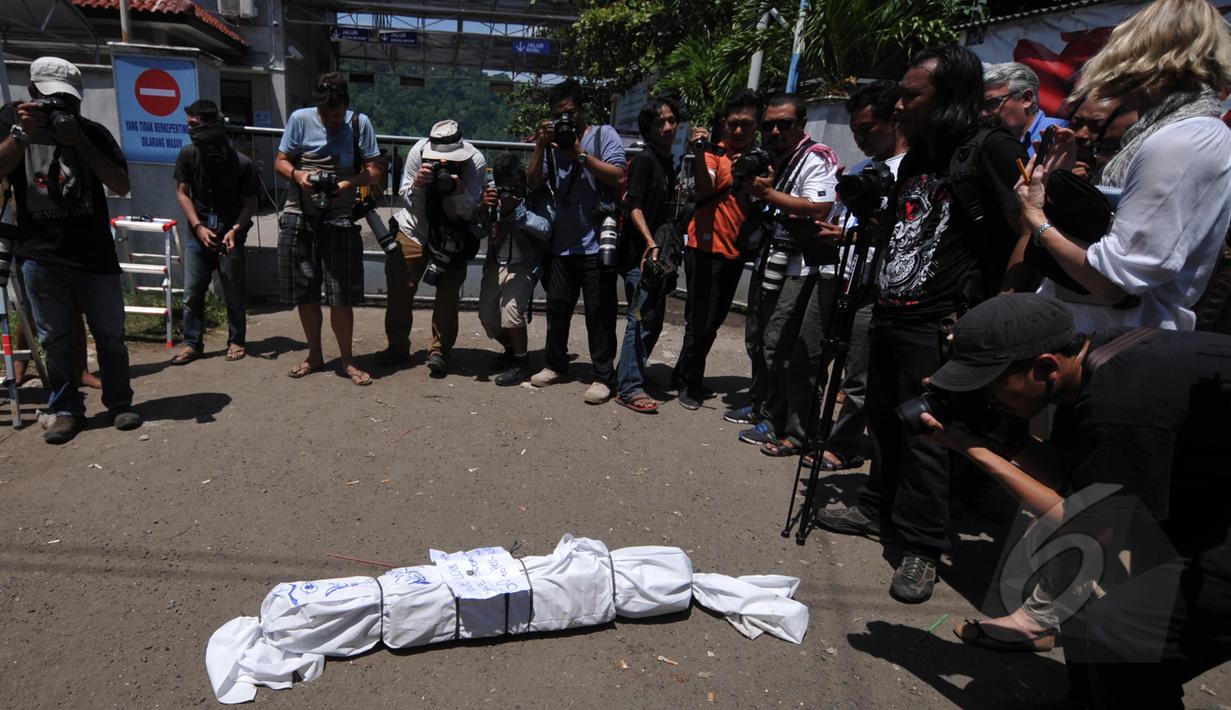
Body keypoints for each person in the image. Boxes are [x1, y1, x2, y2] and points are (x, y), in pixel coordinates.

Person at [922, 292, 1231, 708]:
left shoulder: (1120, 399)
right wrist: (1002, 436)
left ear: (1045, 366)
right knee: (1096, 609)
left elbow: (1086, 524)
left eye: (990, 387)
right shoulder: (1094, 362)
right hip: (1210, 495)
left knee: (1121, 628)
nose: (986, 399)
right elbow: (1078, 480)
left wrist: (974, 451)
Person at [815, 46, 1028, 604]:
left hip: (942, 324)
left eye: (913, 95)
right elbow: (904, 229)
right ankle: (879, 507)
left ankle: (923, 547)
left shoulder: (991, 150)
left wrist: (995, 314)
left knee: (927, 434)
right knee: (883, 420)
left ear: (950, 97)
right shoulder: (917, 158)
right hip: (892, 314)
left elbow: (1027, 230)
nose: (901, 104)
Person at [1013, 0, 1231, 332]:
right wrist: (1062, 186)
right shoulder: (1161, 133)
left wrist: (1037, 218)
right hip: (1095, 333)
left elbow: (1114, 281)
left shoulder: (1182, 139)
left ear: (1142, 60)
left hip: (1116, 344)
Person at [0, 56, 141, 444]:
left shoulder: (92, 132)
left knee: (111, 335)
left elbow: (121, 184)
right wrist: (21, 135)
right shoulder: (12, 126)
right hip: (40, 254)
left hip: (94, 253)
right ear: (32, 93)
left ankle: (119, 402)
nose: (60, 109)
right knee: (54, 338)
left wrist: (79, 139)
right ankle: (66, 409)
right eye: (52, 100)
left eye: (68, 102)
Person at [811, 80, 909, 472]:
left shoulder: (910, 172)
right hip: (848, 275)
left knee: (859, 374)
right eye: (855, 132)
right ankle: (816, 431)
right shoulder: (862, 168)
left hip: (880, 285)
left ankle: (845, 442)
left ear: (894, 121)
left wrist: (853, 234)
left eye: (868, 130)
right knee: (825, 358)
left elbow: (900, 233)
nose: (862, 139)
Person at [738, 93, 840, 457]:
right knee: (758, 336)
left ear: (802, 124)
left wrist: (770, 193)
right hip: (770, 257)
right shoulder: (773, 160)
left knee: (779, 344)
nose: (776, 131)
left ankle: (778, 419)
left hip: (800, 265)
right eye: (769, 125)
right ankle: (762, 404)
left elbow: (819, 206)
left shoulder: (816, 157)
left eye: (785, 124)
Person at [275, 72, 381, 386]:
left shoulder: (360, 124)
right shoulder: (299, 119)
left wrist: (348, 183)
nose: (330, 121)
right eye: (325, 115)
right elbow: (280, 161)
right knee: (305, 291)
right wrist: (299, 176)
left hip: (340, 217)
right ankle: (314, 354)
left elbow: (374, 171)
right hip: (300, 213)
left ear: (347, 106)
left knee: (341, 294)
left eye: (336, 115)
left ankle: (347, 360)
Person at [527, 79, 627, 404]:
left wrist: (580, 153)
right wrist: (542, 146)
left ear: (582, 110)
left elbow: (618, 176)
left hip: (598, 242)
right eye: (559, 116)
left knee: (599, 313)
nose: (565, 121)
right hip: (563, 243)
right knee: (556, 309)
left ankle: (602, 375)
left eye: (569, 113)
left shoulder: (604, 135)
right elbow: (533, 182)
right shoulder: (553, 146)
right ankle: (555, 364)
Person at [670, 90, 761, 419]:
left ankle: (686, 371)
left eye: (746, 125)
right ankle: (686, 382)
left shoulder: (759, 160)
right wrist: (698, 151)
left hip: (735, 252)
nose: (739, 131)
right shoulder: (711, 154)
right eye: (734, 124)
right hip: (704, 249)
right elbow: (706, 188)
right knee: (700, 321)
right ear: (724, 124)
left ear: (756, 127)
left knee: (714, 319)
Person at [377, 119, 485, 377]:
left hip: (454, 233)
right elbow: (408, 202)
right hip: (415, 229)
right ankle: (397, 346)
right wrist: (417, 185)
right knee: (400, 286)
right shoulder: (418, 151)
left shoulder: (475, 162)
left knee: (448, 293)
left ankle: (440, 350)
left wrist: (458, 191)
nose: (443, 166)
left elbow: (470, 212)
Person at [171, 99, 259, 365]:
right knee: (193, 291)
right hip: (199, 234)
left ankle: (236, 339)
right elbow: (182, 193)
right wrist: (197, 226)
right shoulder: (188, 155)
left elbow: (251, 202)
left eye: (195, 125)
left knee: (232, 289)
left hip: (229, 233)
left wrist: (235, 229)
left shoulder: (241, 163)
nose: (191, 131)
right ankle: (192, 343)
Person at [613, 98, 681, 413]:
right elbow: (634, 204)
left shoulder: (670, 161)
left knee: (650, 320)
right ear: (648, 130)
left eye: (670, 120)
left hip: (658, 258)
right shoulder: (645, 161)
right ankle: (629, 387)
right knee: (639, 320)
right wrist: (650, 243)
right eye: (659, 123)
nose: (667, 127)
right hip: (641, 257)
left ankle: (630, 374)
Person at [478, 152, 551, 386]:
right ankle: (511, 349)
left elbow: (546, 228)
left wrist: (518, 210)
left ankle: (521, 363)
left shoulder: (536, 192)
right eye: (503, 186)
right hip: (497, 261)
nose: (507, 190)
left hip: (525, 263)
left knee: (510, 310)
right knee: (487, 317)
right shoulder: (490, 192)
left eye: (513, 184)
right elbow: (477, 231)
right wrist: (483, 209)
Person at [982, 62, 1067, 157]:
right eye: (981, 105)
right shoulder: (987, 141)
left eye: (992, 103)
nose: (984, 113)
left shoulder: (1062, 135)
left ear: (1026, 99)